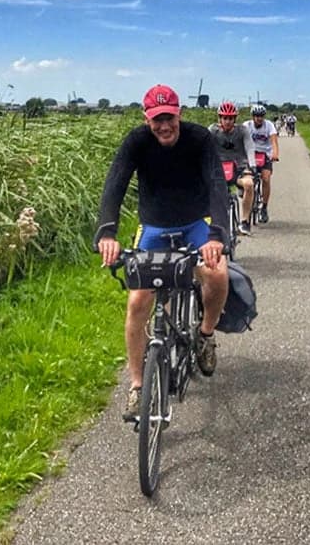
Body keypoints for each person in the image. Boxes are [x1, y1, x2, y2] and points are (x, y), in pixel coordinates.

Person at [94, 84, 230, 422]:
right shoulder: (137, 141)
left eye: (169, 117)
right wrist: (107, 232)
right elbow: (115, 183)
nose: (164, 126)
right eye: (156, 120)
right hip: (153, 227)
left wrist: (216, 236)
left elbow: (216, 184)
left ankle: (206, 334)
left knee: (217, 273)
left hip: (195, 223)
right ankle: (138, 385)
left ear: (179, 113)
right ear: (147, 118)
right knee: (138, 301)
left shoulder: (199, 139)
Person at [208, 101, 258, 235]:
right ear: (220, 118)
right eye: (225, 118)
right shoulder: (213, 130)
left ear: (235, 119)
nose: (227, 121)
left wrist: (252, 165)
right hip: (219, 170)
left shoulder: (242, 131)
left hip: (239, 168)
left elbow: (250, 147)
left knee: (249, 184)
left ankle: (244, 222)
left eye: (230, 118)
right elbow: (204, 147)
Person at [242, 104, 279, 223]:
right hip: (251, 154)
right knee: (246, 177)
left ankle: (264, 207)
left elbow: (274, 141)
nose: (259, 118)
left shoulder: (269, 126)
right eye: (257, 116)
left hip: (265, 154)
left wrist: (275, 153)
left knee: (266, 178)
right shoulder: (246, 126)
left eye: (261, 116)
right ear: (253, 116)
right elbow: (240, 139)